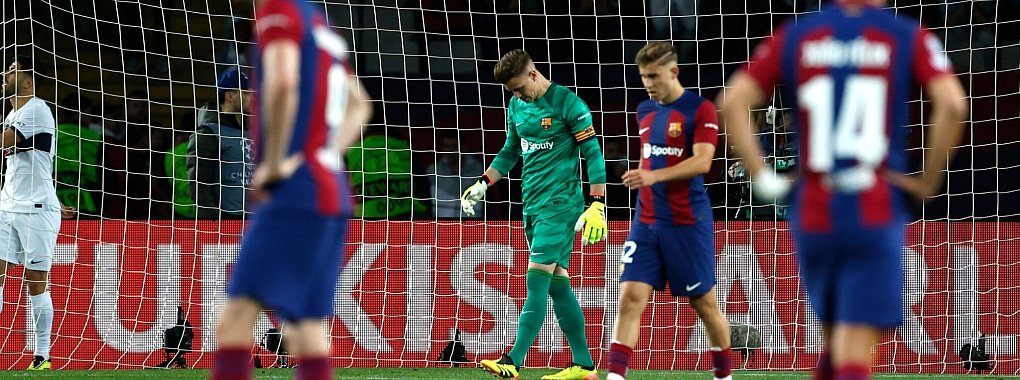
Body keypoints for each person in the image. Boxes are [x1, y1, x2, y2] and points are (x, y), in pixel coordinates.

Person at [718, 1, 968, 379]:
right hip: (872, 204)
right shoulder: (903, 33)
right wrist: (927, 182)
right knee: (854, 350)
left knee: (835, 342)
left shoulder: (797, 33)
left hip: (813, 208)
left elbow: (733, 101)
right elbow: (952, 104)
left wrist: (763, 177)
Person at [211, 0, 372, 379]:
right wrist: (325, 154)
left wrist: (275, 162)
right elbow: (360, 105)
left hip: (296, 192)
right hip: (331, 189)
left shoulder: (276, 9)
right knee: (306, 328)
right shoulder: (322, 24)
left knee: (234, 321)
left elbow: (283, 83)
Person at [462, 49, 606, 380]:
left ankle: (512, 359)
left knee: (535, 277)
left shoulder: (569, 104)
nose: (515, 95)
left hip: (561, 205)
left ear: (532, 74)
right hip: (532, 206)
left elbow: (593, 155)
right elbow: (511, 149)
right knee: (557, 286)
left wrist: (596, 203)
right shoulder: (516, 105)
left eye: (517, 88)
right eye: (510, 92)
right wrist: (484, 182)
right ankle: (584, 366)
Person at [607, 42, 732, 380]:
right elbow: (650, 157)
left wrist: (653, 176)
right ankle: (615, 377)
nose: (648, 83)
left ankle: (725, 375)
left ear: (673, 72)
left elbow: (703, 162)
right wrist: (643, 178)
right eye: (644, 76)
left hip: (687, 222)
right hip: (646, 219)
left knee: (703, 304)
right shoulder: (644, 110)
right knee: (631, 295)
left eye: (654, 76)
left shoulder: (700, 109)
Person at [0, 55, 76, 371]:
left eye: (13, 70)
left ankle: (41, 356)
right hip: (7, 205)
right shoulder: (14, 111)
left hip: (35, 211)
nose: (5, 72)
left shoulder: (37, 109)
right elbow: (35, 164)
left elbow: (6, 141)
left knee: (35, 282)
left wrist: (51, 200)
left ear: (29, 82)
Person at [188, 67, 254, 220]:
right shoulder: (208, 133)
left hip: (256, 219)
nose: (253, 98)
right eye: (245, 93)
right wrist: (213, 222)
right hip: (226, 222)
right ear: (230, 96)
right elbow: (199, 183)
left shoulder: (256, 131)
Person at [428, 131, 483, 218]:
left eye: (453, 147)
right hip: (443, 226)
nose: (449, 151)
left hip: (473, 225)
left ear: (463, 147)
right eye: (446, 147)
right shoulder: (433, 171)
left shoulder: (478, 169)